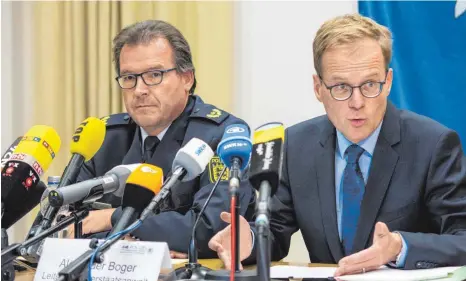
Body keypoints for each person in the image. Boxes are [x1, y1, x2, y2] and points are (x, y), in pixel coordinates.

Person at [208, 14, 466, 275]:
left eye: (369, 84)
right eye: (341, 87)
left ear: (387, 83)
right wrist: (248, 240)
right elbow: (275, 230)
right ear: (318, 88)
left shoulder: (432, 145)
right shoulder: (295, 146)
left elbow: (462, 238)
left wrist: (400, 247)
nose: (357, 102)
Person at [69, 20, 256, 258]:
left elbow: (211, 229)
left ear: (187, 78)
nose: (139, 90)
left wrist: (112, 219)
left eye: (154, 75)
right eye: (128, 78)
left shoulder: (222, 135)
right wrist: (150, 241)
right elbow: (63, 225)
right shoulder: (105, 137)